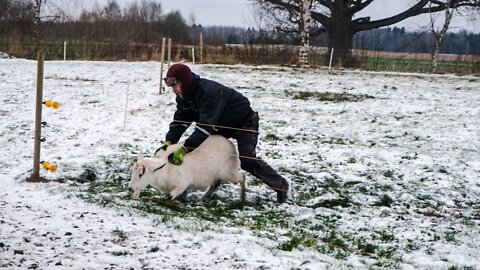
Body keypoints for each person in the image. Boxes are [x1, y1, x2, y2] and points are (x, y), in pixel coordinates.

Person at [157, 63, 290, 203]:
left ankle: (281, 185)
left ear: (185, 82)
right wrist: (169, 141)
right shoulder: (184, 97)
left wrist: (185, 149)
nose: (174, 90)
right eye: (171, 87)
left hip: (244, 122)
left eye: (175, 85)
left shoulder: (208, 92)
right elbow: (181, 121)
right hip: (219, 126)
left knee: (247, 161)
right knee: (200, 153)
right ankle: (187, 189)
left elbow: (204, 127)